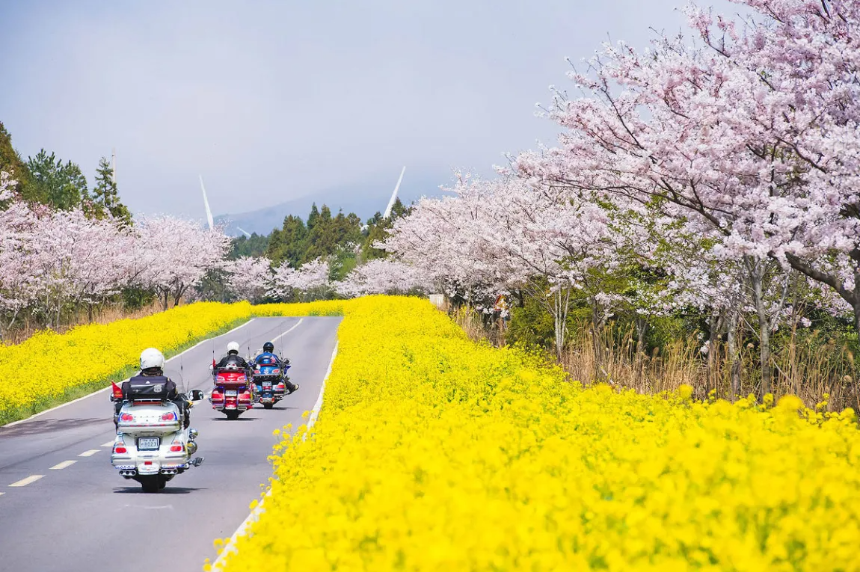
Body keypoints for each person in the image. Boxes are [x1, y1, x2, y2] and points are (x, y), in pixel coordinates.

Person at [115, 348, 191, 429]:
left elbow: (121, 397)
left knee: (119, 408)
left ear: (142, 362)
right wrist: (185, 402)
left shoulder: (130, 383)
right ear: (161, 362)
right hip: (163, 423)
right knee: (182, 406)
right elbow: (176, 397)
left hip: (135, 422)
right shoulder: (167, 383)